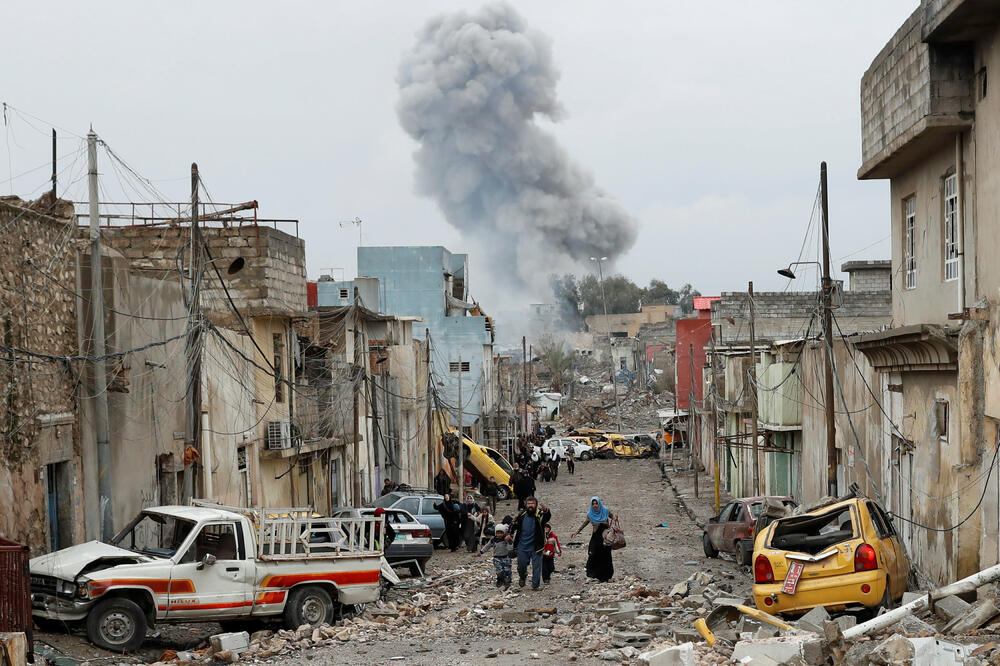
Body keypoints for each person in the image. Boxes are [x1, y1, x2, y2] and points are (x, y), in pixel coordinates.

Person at [510, 496, 551, 590]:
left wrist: (546, 510)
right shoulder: (522, 515)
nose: (530, 506)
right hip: (522, 545)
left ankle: (535, 585)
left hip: (536, 546)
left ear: (536, 505)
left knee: (537, 567)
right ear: (526, 505)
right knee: (521, 565)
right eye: (529, 504)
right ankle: (523, 576)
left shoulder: (539, 514)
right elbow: (514, 524)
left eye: (532, 504)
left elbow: (547, 517)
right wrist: (510, 534)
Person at [573, 497, 614, 583]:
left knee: (606, 556)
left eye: (596, 503)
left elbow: (613, 517)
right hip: (596, 538)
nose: (595, 505)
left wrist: (613, 524)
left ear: (599, 503)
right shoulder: (590, 514)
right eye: (593, 504)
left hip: (605, 538)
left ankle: (606, 576)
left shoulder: (605, 510)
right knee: (593, 554)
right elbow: (585, 523)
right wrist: (577, 532)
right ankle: (594, 574)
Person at [477, 524, 513, 589]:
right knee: (499, 571)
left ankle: (507, 581)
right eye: (498, 533)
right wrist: (481, 552)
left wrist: (509, 539)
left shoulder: (505, 539)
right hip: (497, 558)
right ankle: (500, 580)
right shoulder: (493, 540)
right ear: (495, 533)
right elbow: (487, 546)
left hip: (506, 557)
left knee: (507, 570)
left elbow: (511, 544)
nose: (499, 535)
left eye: (501, 533)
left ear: (503, 533)